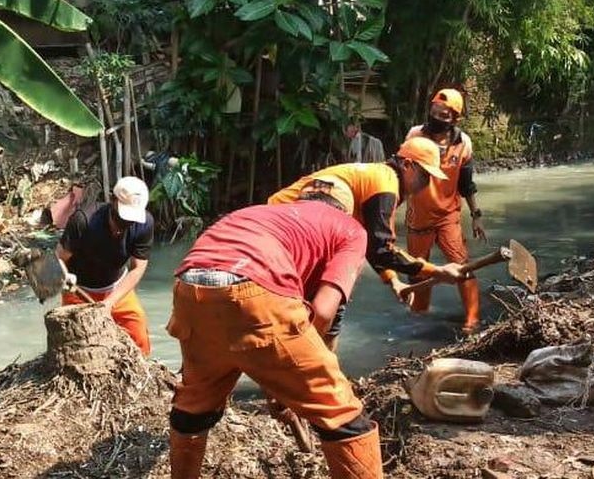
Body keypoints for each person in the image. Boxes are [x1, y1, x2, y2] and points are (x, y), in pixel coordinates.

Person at [165, 195, 383, 478]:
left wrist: (279, 379)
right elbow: (323, 310)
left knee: (194, 408)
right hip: (254, 288)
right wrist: (293, 374)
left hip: (190, 287)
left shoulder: (261, 215)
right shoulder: (350, 228)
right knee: (342, 414)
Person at [268, 137, 467, 307]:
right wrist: (436, 270)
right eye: (425, 175)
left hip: (278, 224)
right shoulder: (385, 185)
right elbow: (381, 249)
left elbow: (372, 243)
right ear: (407, 165)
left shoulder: (381, 179)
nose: (427, 183)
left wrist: (393, 280)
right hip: (286, 226)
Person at [404, 88, 486, 333]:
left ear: (454, 119)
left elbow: (467, 184)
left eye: (444, 115)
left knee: (461, 266)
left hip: (447, 216)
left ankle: (472, 319)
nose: (437, 117)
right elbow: (402, 174)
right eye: (434, 112)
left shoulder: (463, 144)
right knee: (418, 270)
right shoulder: (416, 135)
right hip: (418, 216)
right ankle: (420, 315)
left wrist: (476, 216)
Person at [57, 176, 154, 354]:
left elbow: (138, 268)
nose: (123, 226)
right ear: (112, 201)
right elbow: (60, 258)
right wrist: (65, 275)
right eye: (121, 218)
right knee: (78, 347)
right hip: (79, 290)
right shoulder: (83, 221)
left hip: (116, 289)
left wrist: (110, 302)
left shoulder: (144, 224)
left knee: (138, 330)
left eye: (130, 221)